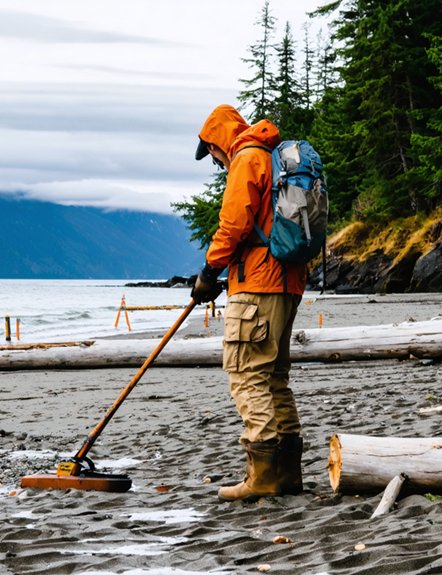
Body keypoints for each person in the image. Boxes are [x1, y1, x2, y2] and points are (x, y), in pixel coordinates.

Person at [190, 104, 307, 501]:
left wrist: (209, 272)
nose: (216, 162)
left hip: (258, 283)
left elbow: (234, 223)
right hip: (288, 281)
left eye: (213, 153)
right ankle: (288, 472)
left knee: (246, 372)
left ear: (219, 141)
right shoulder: (273, 158)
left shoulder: (247, 158)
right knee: (274, 377)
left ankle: (262, 477)